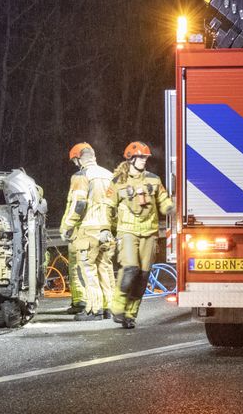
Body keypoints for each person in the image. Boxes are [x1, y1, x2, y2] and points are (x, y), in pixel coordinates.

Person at [109, 141, 174, 329]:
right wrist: (106, 230)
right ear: (130, 158)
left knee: (143, 275)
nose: (144, 161)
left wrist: (169, 207)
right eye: (140, 158)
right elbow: (107, 205)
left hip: (150, 232)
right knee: (130, 268)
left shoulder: (153, 179)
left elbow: (162, 198)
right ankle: (118, 308)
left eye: (145, 158)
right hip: (127, 231)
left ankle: (130, 314)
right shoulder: (118, 182)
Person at [59, 143, 116, 321]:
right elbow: (116, 207)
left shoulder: (81, 176)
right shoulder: (109, 175)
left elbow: (79, 204)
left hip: (88, 231)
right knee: (105, 268)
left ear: (78, 159)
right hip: (106, 232)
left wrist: (67, 226)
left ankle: (94, 310)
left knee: (88, 271)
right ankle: (109, 308)